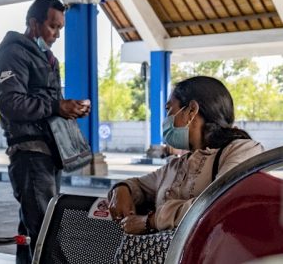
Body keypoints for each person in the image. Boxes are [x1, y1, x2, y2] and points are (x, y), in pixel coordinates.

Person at [0, 0, 90, 264]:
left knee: (33, 229)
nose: (57, 34)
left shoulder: (47, 59)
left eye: (60, 28)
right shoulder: (14, 54)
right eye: (52, 26)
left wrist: (70, 108)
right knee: (46, 230)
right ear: (34, 24)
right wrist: (57, 106)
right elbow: (10, 103)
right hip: (29, 153)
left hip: (48, 154)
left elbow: (48, 104)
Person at [108, 76, 263, 235]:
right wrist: (122, 188)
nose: (166, 119)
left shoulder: (242, 150)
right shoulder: (177, 166)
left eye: (169, 109)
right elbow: (139, 185)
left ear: (191, 110)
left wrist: (151, 221)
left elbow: (221, 203)